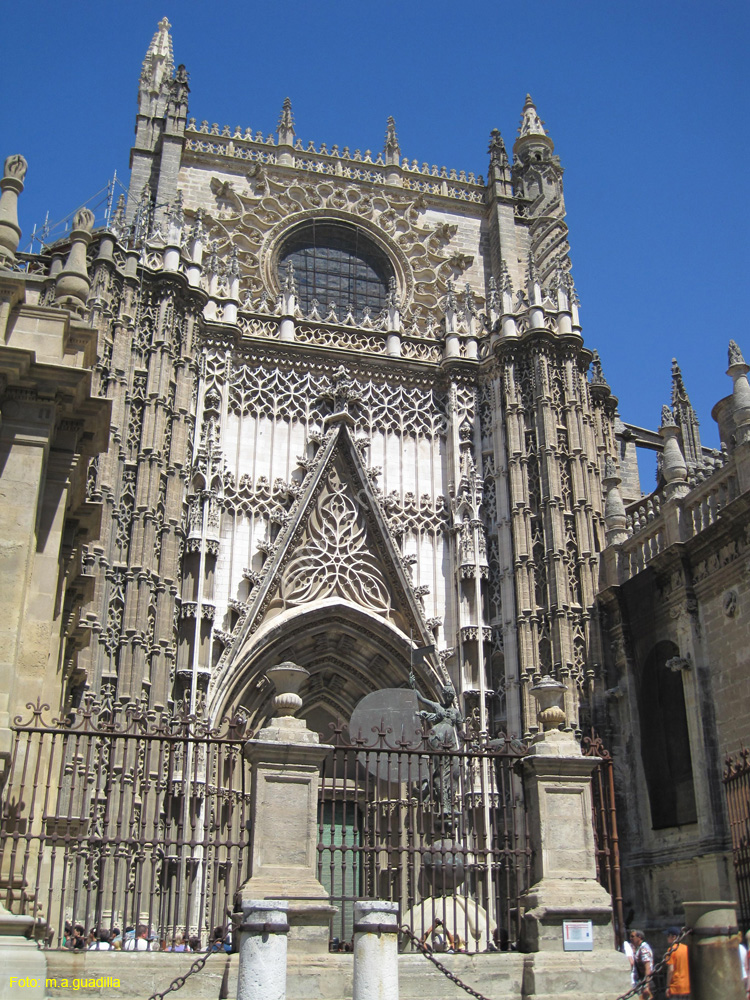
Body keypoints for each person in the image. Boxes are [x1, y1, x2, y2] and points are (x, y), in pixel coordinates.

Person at [665, 926, 690, 999]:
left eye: (668, 936)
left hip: (675, 987)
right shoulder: (686, 948)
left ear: (673, 937)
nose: (667, 938)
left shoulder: (671, 950)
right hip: (687, 985)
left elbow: (671, 970)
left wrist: (667, 986)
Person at [630, 929, 654, 1000]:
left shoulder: (644, 948)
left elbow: (647, 966)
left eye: (632, 936)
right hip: (642, 981)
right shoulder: (639, 948)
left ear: (639, 937)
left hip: (646, 980)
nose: (630, 939)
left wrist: (647, 985)